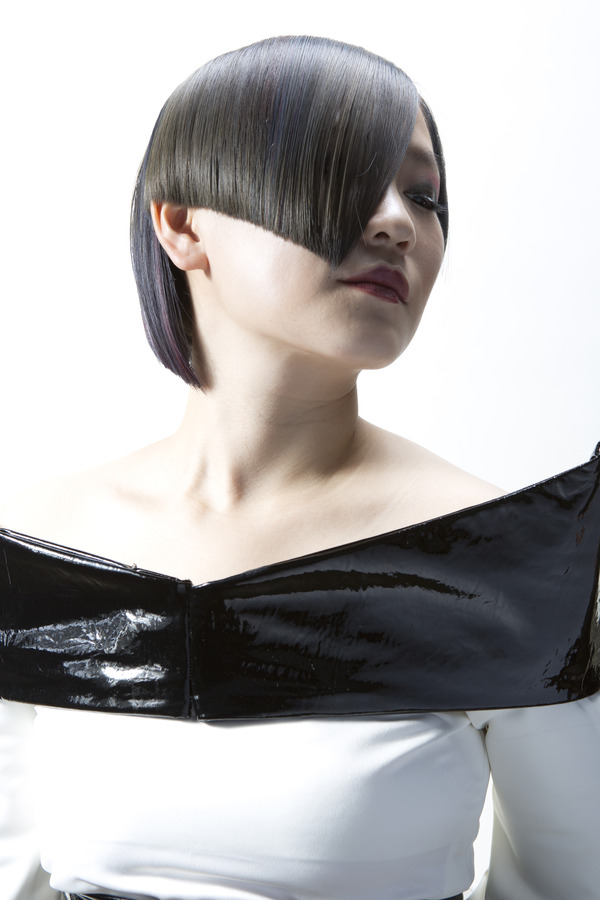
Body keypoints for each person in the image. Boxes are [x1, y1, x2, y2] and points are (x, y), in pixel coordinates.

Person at [0, 34, 599, 900]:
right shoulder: (35, 550)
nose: (398, 222)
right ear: (182, 224)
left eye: (425, 196)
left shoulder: (513, 559)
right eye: (343, 172)